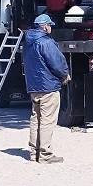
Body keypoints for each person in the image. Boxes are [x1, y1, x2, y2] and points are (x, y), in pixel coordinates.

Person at [22, 13, 69, 164]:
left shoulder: (28, 42)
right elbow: (57, 63)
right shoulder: (46, 42)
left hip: (34, 87)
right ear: (44, 26)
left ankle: (33, 152)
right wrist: (64, 75)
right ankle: (45, 155)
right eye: (50, 25)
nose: (51, 28)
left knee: (36, 119)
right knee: (48, 121)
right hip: (48, 87)